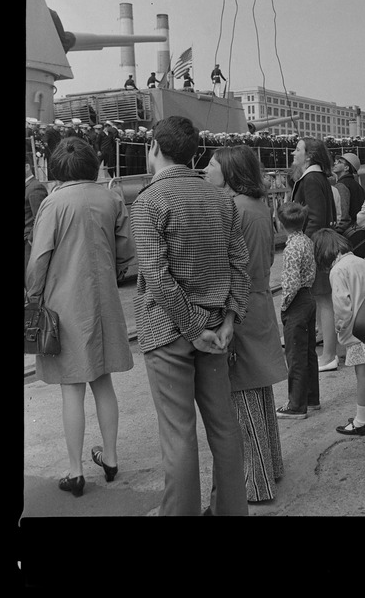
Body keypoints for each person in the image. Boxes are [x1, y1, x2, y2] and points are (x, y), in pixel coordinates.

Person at [130, 115, 250, 515]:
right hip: (217, 330)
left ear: (155, 148)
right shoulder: (220, 199)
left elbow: (157, 279)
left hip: (169, 332)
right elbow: (240, 265)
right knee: (224, 427)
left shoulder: (148, 202)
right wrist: (228, 319)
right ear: (193, 153)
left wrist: (193, 327)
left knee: (179, 436)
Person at [25, 137, 136, 498]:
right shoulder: (112, 198)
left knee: (71, 389)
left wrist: (33, 297)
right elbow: (125, 251)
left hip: (64, 307)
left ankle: (74, 472)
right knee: (103, 381)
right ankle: (112, 458)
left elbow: (39, 259)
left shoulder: (53, 203)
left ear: (57, 168)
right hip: (104, 302)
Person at [203, 145, 288, 503]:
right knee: (258, 392)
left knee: (242, 396)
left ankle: (255, 483)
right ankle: (270, 468)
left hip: (239, 309)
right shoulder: (257, 207)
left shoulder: (234, 209)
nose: (205, 169)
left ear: (229, 171)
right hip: (257, 301)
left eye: (211, 164)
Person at [311, 229, 365, 436]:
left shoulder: (337, 270)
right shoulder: (362, 262)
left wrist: (340, 326)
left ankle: (360, 421)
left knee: (362, 375)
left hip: (356, 330)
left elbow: (341, 305)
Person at [290, 137, 339, 372]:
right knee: (324, 300)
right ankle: (329, 351)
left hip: (315, 247)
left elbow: (316, 218)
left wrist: (303, 248)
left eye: (297, 149)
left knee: (324, 300)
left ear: (308, 155)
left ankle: (329, 354)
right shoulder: (317, 177)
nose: (293, 152)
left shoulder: (310, 179)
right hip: (320, 244)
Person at [275, 202, 319, 420]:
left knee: (295, 354)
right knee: (308, 351)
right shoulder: (306, 241)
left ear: (281, 224)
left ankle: (296, 404)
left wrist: (284, 305)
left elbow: (291, 283)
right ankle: (311, 398)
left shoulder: (291, 248)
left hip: (297, 301)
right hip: (309, 296)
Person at [25, 152, 49, 274]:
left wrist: (30, 240)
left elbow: (40, 218)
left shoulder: (35, 188)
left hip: (28, 243)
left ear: (27, 167)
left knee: (30, 279)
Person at [332, 152, 365, 233]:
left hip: (345, 232)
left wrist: (337, 233)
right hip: (355, 230)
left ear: (346, 168)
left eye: (339, 162)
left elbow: (343, 217)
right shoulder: (358, 186)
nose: (335, 163)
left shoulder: (341, 186)